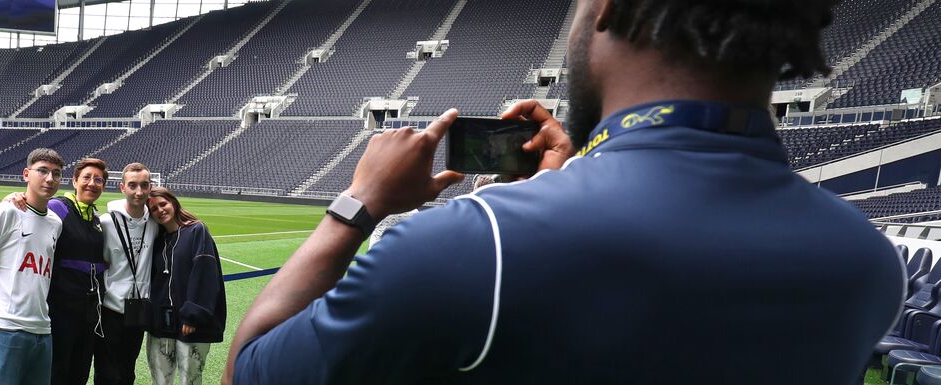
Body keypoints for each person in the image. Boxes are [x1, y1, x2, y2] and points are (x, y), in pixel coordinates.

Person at [223, 0, 906, 384]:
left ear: (605, 9)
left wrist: (357, 203)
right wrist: (571, 178)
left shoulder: (470, 249)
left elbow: (250, 372)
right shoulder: (866, 261)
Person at [0, 148, 65, 385]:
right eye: (43, 171)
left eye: (56, 174)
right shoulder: (6, 211)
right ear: (26, 174)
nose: (50, 179)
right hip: (5, 326)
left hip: (42, 328)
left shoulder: (55, 222)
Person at [146, 187, 227, 385]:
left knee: (189, 380)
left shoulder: (196, 230)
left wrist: (193, 315)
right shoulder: (157, 240)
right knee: (160, 380)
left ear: (174, 203)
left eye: (163, 204)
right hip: (161, 324)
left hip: (190, 324)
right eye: (153, 209)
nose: (160, 210)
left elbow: (205, 274)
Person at [94, 163, 159, 385]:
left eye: (144, 185)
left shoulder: (155, 222)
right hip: (109, 309)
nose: (139, 192)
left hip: (139, 309)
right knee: (105, 371)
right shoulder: (106, 222)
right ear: (122, 187)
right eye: (132, 185)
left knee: (127, 370)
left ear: (151, 187)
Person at [47, 158, 109, 385]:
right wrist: (13, 198)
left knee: (80, 372)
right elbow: (29, 209)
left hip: (89, 313)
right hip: (60, 310)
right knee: (57, 371)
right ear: (74, 181)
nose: (92, 183)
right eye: (86, 178)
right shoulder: (58, 208)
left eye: (99, 180)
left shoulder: (95, 218)